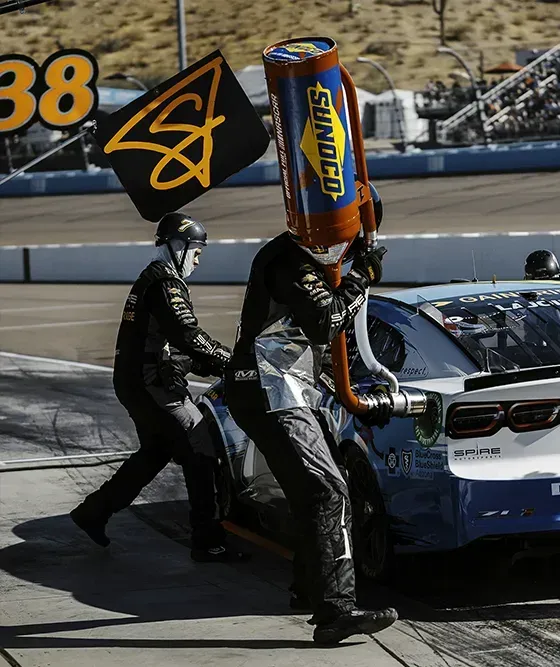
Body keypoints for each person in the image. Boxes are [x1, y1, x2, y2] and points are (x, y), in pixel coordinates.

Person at [224, 185, 397, 645]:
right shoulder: (291, 260)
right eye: (357, 237)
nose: (358, 247)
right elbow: (326, 320)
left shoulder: (312, 258)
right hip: (267, 388)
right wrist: (360, 280)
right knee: (327, 490)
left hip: (283, 387)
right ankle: (335, 611)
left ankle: (309, 589)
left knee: (316, 490)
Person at [70, 212, 243, 562]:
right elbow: (186, 333)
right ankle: (208, 541)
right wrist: (227, 359)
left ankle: (94, 512)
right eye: (195, 250)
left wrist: (200, 361)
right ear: (177, 247)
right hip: (152, 384)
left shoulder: (153, 278)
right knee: (201, 446)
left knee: (155, 453)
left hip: (137, 381)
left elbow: (168, 342)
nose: (198, 258)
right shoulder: (166, 282)